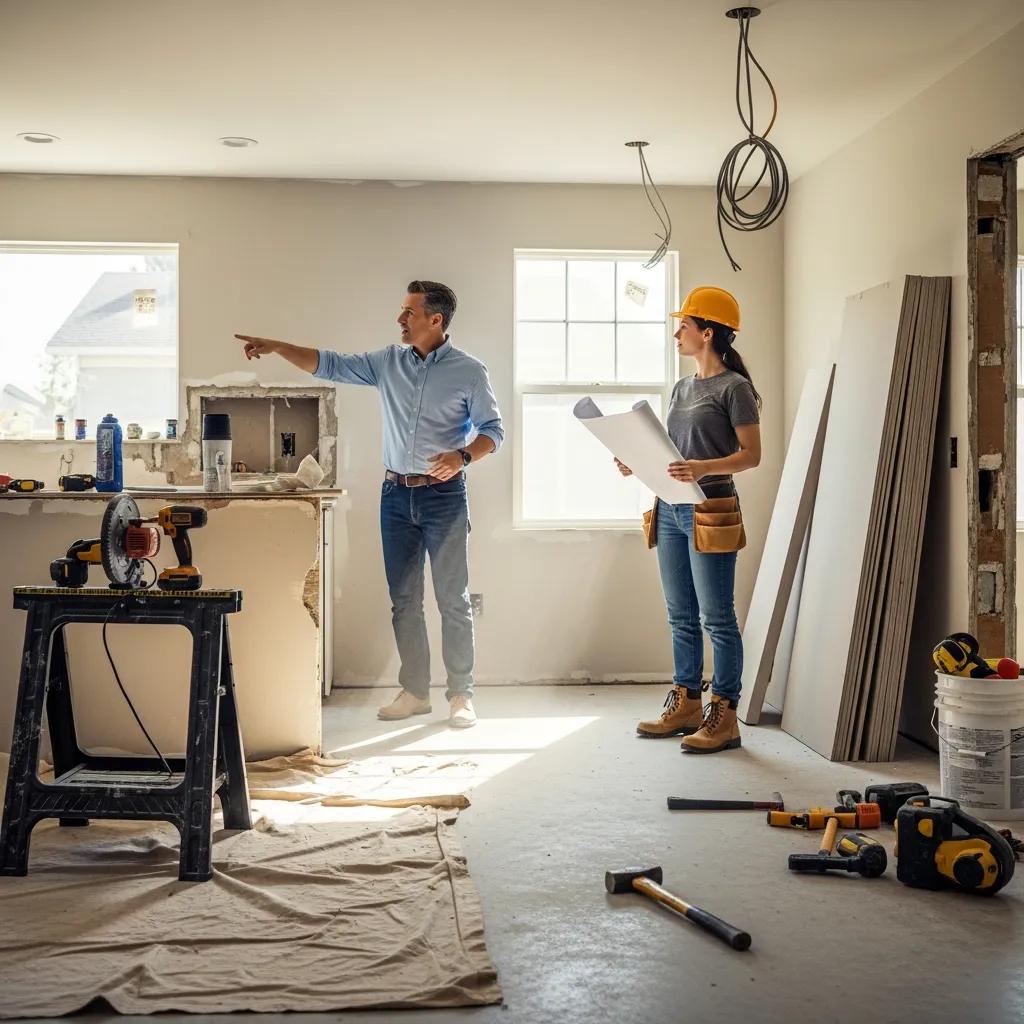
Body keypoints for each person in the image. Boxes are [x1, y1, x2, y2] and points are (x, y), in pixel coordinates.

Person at [235, 281, 503, 729]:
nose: (400, 319)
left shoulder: (470, 371)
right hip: (395, 497)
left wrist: (460, 458)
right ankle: (416, 692)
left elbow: (493, 431)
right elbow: (330, 364)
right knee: (404, 600)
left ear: (435, 320)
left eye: (409, 312)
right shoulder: (387, 362)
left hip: (444, 499)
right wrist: (280, 347)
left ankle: (461, 695)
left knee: (452, 599)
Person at [617, 286, 761, 754]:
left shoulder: (735, 389)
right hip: (671, 508)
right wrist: (638, 461)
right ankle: (685, 704)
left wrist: (702, 469)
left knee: (717, 617)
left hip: (711, 510)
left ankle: (725, 717)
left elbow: (751, 456)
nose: (676, 333)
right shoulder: (682, 387)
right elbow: (674, 455)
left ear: (708, 331)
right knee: (680, 615)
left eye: (684, 325)